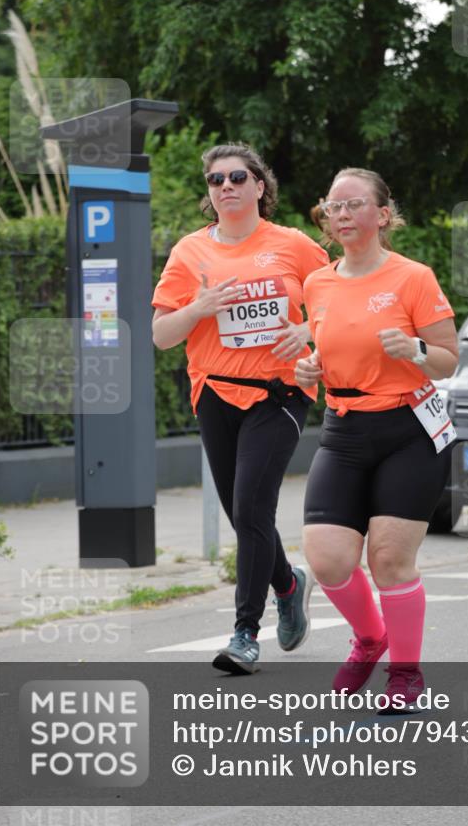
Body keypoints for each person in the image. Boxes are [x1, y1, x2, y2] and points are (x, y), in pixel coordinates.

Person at [152, 143, 328, 673]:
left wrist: (308, 331)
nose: (224, 186)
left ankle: (246, 633)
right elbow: (161, 335)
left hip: (280, 393)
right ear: (209, 193)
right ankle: (289, 584)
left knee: (252, 508)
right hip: (215, 392)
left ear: (259, 186)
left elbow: (335, 300)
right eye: (214, 180)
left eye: (236, 177)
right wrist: (198, 307)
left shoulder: (292, 245)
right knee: (240, 512)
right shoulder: (189, 253)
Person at [295, 167, 459, 706]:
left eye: (353, 205)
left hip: (407, 429)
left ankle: (405, 673)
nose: (341, 214)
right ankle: (370, 639)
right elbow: (327, 346)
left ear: (382, 215)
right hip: (344, 429)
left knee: (388, 560)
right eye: (333, 206)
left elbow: (448, 360)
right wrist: (311, 369)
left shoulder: (413, 277)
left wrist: (413, 350)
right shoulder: (317, 281)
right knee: (327, 558)